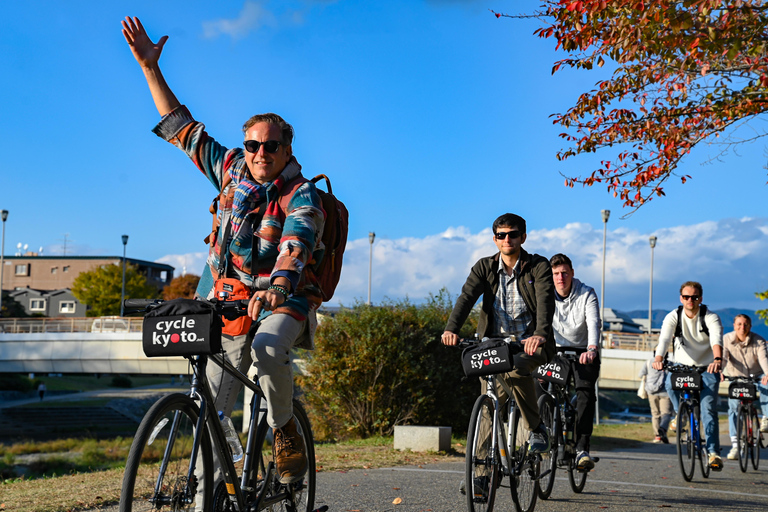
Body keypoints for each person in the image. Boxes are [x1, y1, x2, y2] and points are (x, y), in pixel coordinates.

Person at [122, 17, 325, 485]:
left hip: (282, 298)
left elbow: (296, 244)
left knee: (269, 348)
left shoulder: (301, 195)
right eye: (252, 144)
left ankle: (285, 428)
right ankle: (203, 488)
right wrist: (151, 69)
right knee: (208, 403)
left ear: (287, 148)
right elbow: (181, 129)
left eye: (271, 146)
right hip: (225, 297)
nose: (260, 153)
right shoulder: (230, 169)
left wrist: (278, 285)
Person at [442, 213, 555, 459]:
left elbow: (546, 301)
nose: (507, 240)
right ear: (494, 239)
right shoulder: (485, 267)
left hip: (530, 344)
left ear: (523, 237)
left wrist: (539, 334)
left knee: (517, 370)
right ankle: (481, 475)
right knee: (488, 405)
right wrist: (451, 329)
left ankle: (536, 429)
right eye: (501, 235)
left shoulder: (538, 266)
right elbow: (466, 297)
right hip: (495, 344)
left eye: (513, 234)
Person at [652, 281, 724, 470]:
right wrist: (658, 358)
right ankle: (681, 414)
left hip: (707, 367)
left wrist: (717, 359)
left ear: (700, 298)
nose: (690, 300)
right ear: (681, 298)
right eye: (686, 297)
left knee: (708, 410)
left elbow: (716, 338)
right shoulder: (673, 316)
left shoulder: (710, 317)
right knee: (669, 383)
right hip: (682, 367)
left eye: (694, 297)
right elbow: (664, 339)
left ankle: (713, 453)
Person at [549, 253, 600, 469]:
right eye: (556, 274)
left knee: (585, 396)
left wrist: (592, 348)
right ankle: (541, 436)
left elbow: (594, 322)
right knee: (539, 385)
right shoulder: (545, 293)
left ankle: (581, 449)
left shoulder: (586, 293)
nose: (561, 278)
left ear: (572, 273)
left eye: (564, 273)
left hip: (583, 351)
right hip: (556, 351)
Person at [721, 314, 768, 460]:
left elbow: (763, 358)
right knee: (734, 408)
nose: (743, 327)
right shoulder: (727, 339)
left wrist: (767, 373)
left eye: (746, 324)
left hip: (757, 375)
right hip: (737, 377)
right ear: (734, 326)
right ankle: (735, 445)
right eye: (739, 324)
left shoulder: (758, 340)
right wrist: (720, 371)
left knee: (767, 385)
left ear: (750, 326)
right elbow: (723, 357)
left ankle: (766, 417)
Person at [638, 353, 673, 443]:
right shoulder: (670, 364)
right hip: (666, 393)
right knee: (666, 413)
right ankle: (663, 429)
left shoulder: (648, 362)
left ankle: (657, 435)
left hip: (652, 392)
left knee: (655, 414)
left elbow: (641, 374)